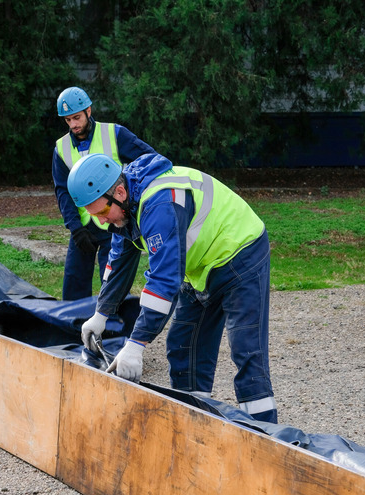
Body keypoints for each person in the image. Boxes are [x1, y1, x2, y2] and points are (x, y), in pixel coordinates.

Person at [69, 152, 278, 424]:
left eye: (103, 212)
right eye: (95, 215)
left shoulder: (160, 204)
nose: (102, 221)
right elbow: (118, 262)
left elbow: (165, 280)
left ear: (119, 192)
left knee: (246, 351)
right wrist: (100, 314)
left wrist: (136, 344)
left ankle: (268, 439)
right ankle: (195, 430)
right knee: (184, 349)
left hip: (240, 253)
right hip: (201, 267)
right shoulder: (125, 206)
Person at [52, 86, 155, 300]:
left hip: (116, 221)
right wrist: (75, 228)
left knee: (114, 286)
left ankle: (115, 330)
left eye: (77, 118)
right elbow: (63, 192)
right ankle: (73, 330)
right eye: (68, 120)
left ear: (89, 111)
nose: (74, 125)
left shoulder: (114, 134)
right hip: (84, 226)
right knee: (72, 287)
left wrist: (134, 200)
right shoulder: (60, 148)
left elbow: (150, 160)